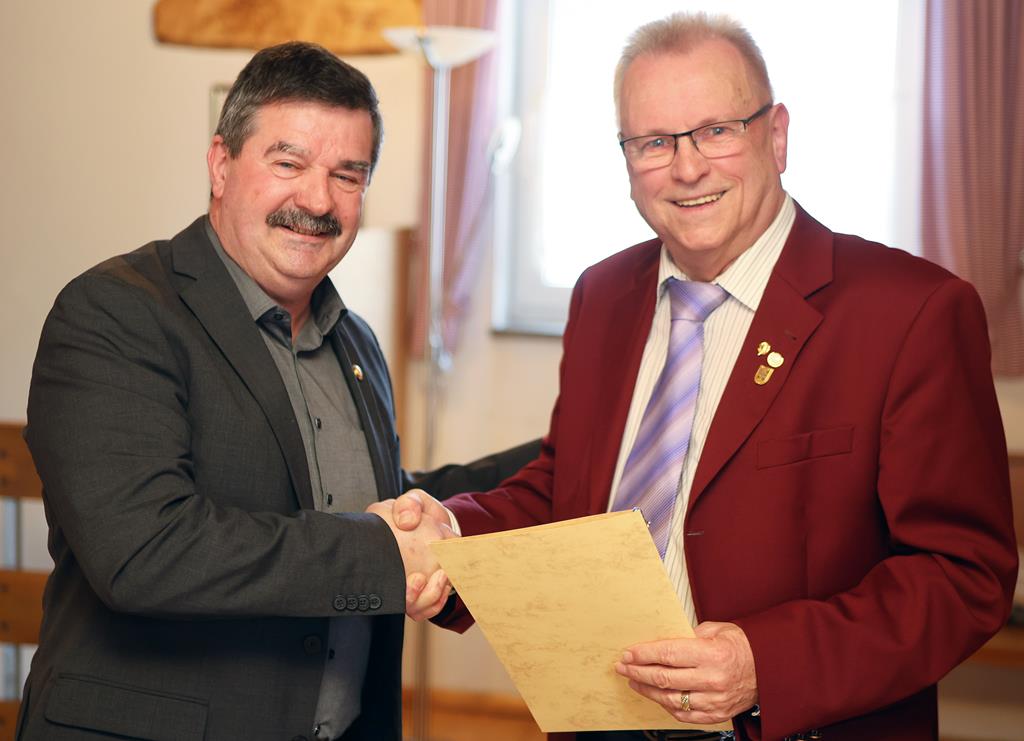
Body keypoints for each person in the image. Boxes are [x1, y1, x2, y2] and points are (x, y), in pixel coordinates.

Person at [389, 12, 1018, 741]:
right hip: (601, 722)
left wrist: (765, 663)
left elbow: (963, 576)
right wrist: (456, 530)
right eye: (653, 142)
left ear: (776, 135)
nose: (686, 169)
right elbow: (571, 491)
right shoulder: (603, 294)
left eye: (717, 130)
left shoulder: (911, 311)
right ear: (625, 157)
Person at [18, 41, 533, 741]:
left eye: (347, 175)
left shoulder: (354, 342)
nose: (318, 200)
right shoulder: (116, 312)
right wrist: (386, 552)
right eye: (288, 162)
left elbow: (364, 505)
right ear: (221, 164)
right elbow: (146, 549)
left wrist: (563, 456)